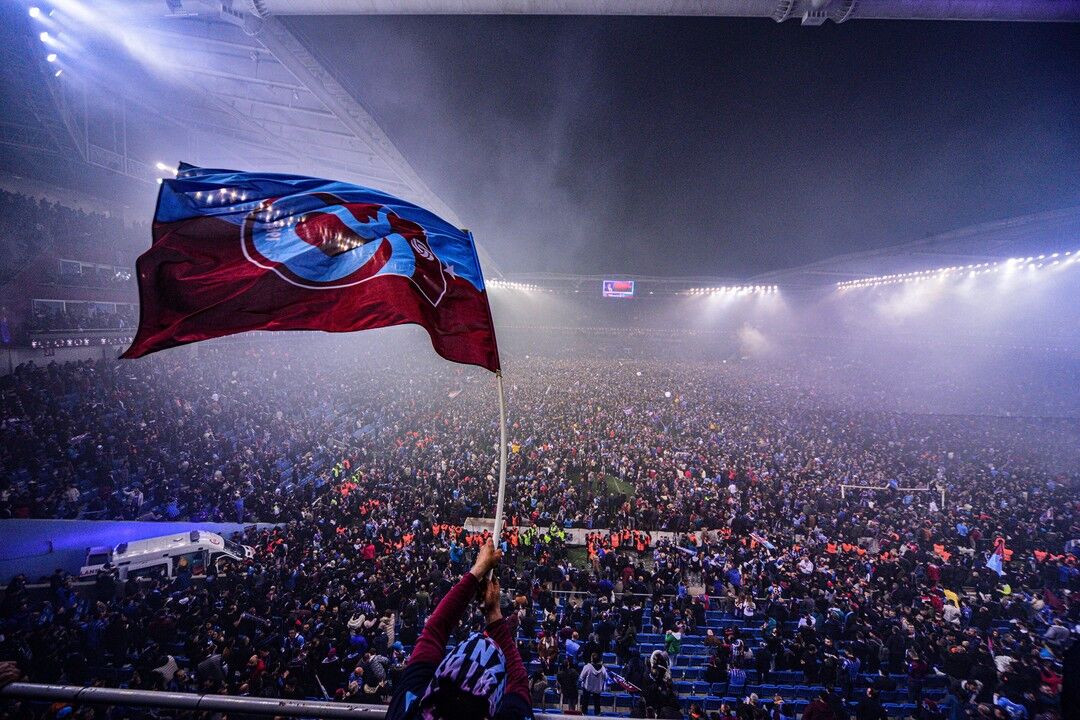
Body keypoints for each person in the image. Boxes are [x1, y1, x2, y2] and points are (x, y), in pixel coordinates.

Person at [385, 541, 531, 720]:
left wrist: (477, 570)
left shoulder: (408, 709)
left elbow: (434, 630)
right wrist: (493, 613)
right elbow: (518, 681)